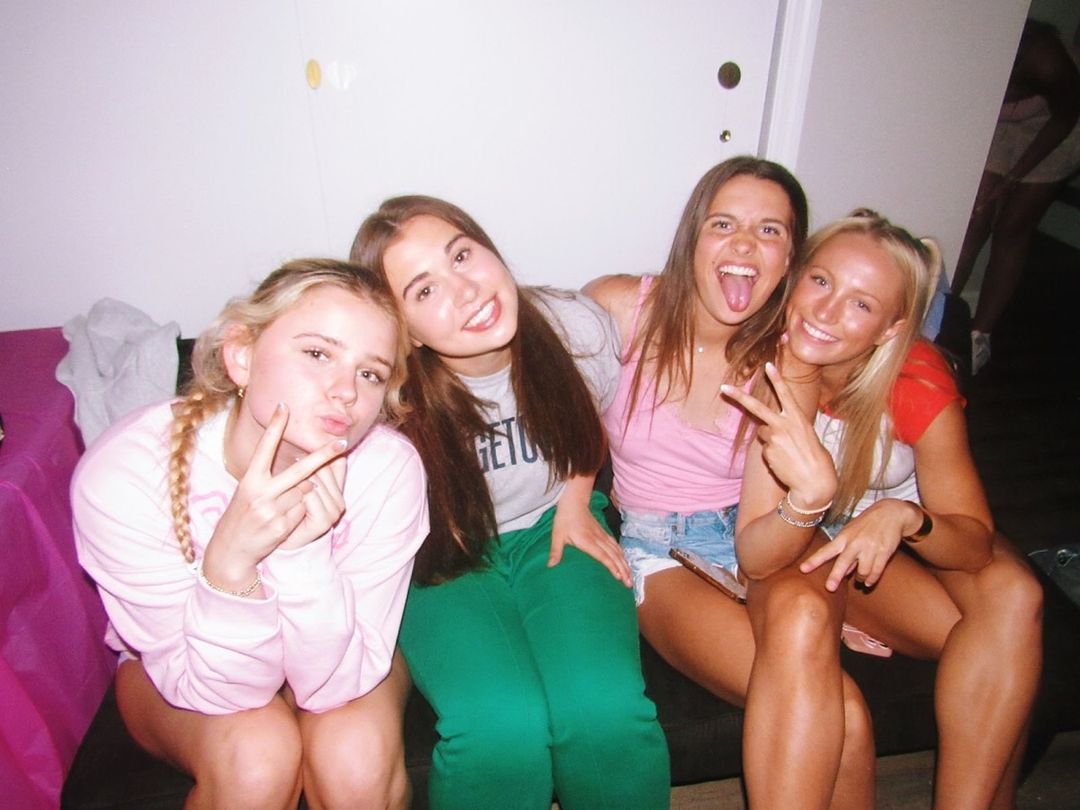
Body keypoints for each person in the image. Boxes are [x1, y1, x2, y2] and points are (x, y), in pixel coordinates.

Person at [73, 259, 429, 810]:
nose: (345, 391)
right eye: (318, 353)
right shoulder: (125, 473)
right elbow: (221, 692)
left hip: (344, 657)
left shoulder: (387, 470)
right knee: (257, 760)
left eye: (370, 374)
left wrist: (303, 556)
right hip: (184, 672)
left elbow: (338, 683)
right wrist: (229, 570)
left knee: (355, 762)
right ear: (241, 355)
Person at [350, 196, 669, 810]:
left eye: (462, 255)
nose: (466, 290)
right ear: (403, 331)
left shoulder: (573, 327)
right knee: (500, 729)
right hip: (444, 556)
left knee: (603, 711)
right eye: (425, 290)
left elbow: (590, 413)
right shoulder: (385, 399)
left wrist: (578, 495)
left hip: (559, 523)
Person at [585, 156, 876, 809]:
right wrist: (580, 502)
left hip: (764, 540)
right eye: (724, 224)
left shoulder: (789, 364)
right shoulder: (620, 308)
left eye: (769, 231)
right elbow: (553, 411)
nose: (745, 244)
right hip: (659, 550)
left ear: (790, 259)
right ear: (693, 237)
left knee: (844, 715)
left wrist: (810, 502)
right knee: (846, 715)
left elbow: (760, 546)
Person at [726, 210, 1044, 809]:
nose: (825, 311)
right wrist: (811, 498)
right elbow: (757, 557)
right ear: (796, 276)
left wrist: (905, 518)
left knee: (1014, 597)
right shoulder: (778, 367)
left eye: (860, 304)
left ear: (890, 328)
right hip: (816, 542)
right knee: (1003, 650)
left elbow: (973, 542)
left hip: (912, 539)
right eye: (821, 281)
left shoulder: (916, 378)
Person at [951, 18, 1080, 373]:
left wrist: (1013, 178)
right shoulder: (965, 47)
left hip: (1061, 124)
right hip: (1005, 125)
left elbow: (1065, 117)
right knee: (974, 218)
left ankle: (980, 336)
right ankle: (940, 320)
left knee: (1013, 225)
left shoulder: (1046, 61)